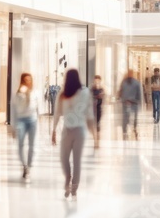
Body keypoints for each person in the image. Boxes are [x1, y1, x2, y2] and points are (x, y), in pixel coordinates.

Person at [51, 69, 97, 200]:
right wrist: (53, 130)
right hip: (73, 130)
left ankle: (73, 188)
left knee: (73, 160)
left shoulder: (82, 93)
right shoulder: (64, 93)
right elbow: (57, 113)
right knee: (65, 158)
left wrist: (54, 130)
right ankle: (69, 179)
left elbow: (89, 114)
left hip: (75, 130)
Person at [10, 72, 40, 182]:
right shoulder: (18, 93)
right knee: (20, 144)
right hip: (21, 121)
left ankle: (29, 166)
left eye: (30, 80)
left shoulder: (35, 92)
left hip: (32, 120)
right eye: (26, 80)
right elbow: (13, 110)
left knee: (32, 145)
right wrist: (13, 126)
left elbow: (37, 108)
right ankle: (24, 166)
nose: (28, 82)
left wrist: (38, 119)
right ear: (22, 81)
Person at [119, 69, 142, 138]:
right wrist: (123, 100)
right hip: (126, 103)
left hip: (134, 102)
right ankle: (124, 130)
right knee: (125, 117)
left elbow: (139, 93)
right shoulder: (124, 82)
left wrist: (138, 101)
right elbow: (121, 92)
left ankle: (134, 127)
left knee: (134, 117)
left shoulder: (136, 83)